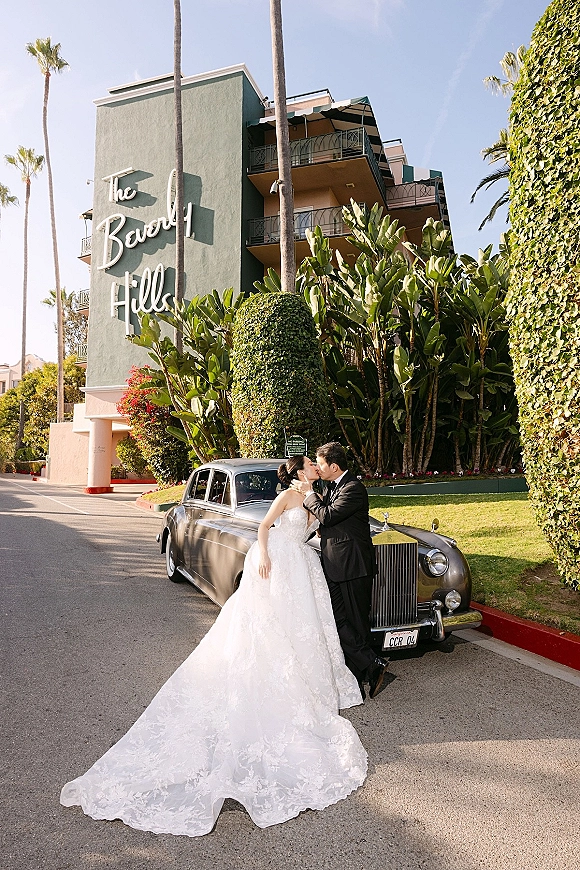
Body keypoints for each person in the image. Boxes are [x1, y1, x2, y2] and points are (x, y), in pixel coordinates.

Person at [60, 455, 367, 838]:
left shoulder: (312, 496)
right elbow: (266, 527)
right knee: (269, 628)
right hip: (278, 563)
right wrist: (267, 556)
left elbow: (321, 523)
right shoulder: (288, 495)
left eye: (317, 466)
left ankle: (309, 680)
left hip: (303, 567)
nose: (316, 469)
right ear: (300, 471)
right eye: (311, 466)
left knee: (303, 630)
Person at [291, 442, 390, 700]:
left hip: (354, 566)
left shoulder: (354, 488)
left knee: (358, 621)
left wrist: (310, 493)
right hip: (334, 564)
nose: (318, 468)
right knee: (335, 619)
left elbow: (329, 516)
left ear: (334, 466)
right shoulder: (331, 486)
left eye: (320, 464)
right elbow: (328, 523)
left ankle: (363, 673)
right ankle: (370, 664)